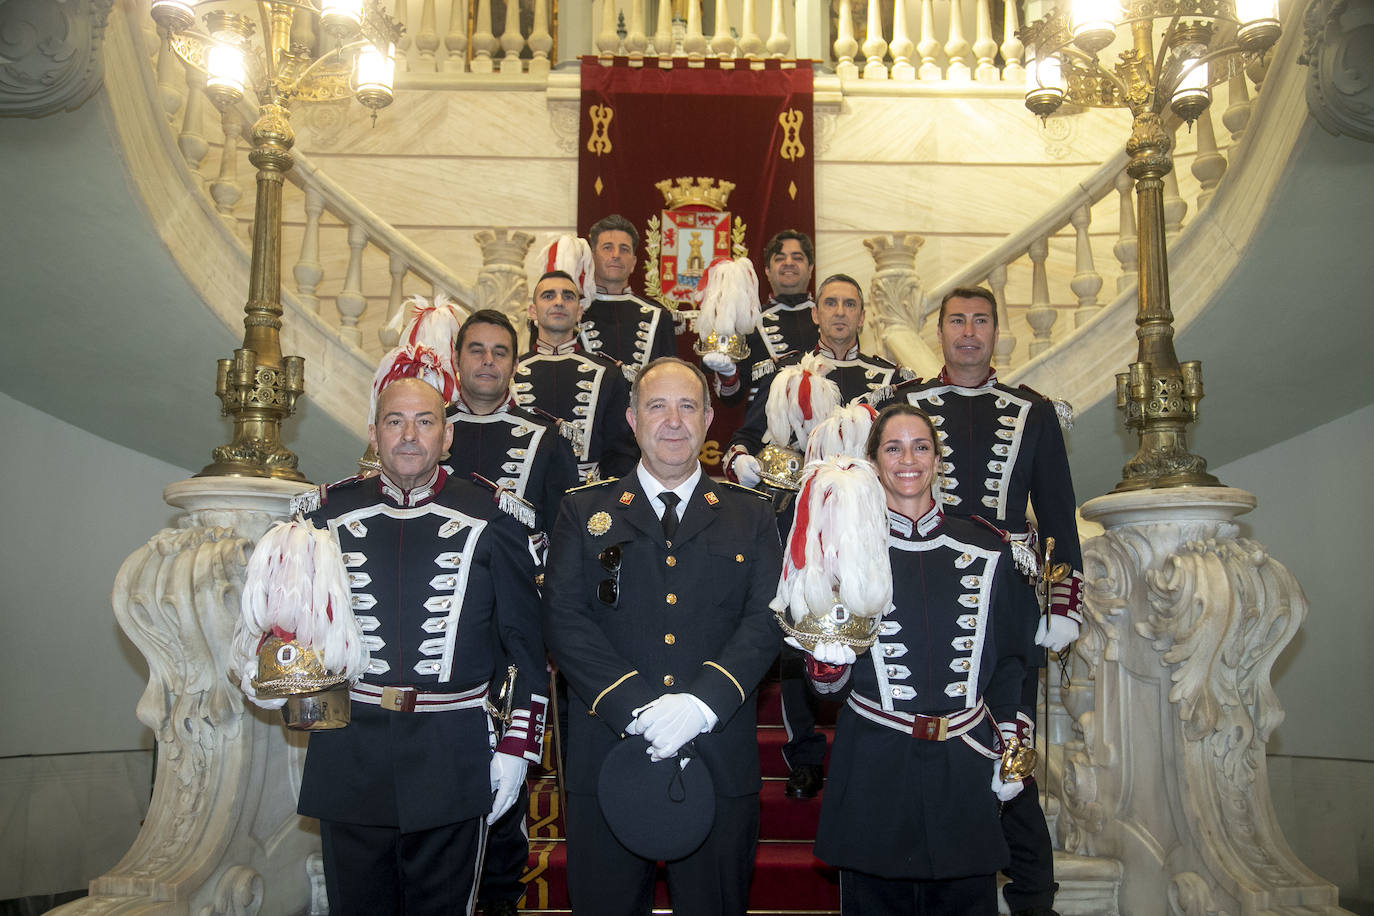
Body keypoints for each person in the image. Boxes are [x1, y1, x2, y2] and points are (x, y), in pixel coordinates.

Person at [294, 376, 548, 916]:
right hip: (350, 754)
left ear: (447, 435)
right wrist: (301, 706)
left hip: (452, 753)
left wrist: (514, 749)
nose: (409, 435)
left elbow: (524, 644)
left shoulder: (494, 516)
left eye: (425, 422)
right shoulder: (322, 519)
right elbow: (298, 629)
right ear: (373, 433)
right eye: (395, 421)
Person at [868, 286, 1085, 916]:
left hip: (1010, 600)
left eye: (981, 321)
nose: (968, 332)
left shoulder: (1033, 410)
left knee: (1012, 752)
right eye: (957, 321)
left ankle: (1032, 897)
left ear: (998, 330)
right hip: (914, 592)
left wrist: (1063, 601)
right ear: (939, 331)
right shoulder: (904, 404)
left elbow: (1058, 515)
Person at [542, 357, 784, 916]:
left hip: (717, 754)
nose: (672, 421)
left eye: (687, 407)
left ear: (707, 422)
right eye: (657, 406)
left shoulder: (750, 515)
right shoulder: (584, 511)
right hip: (608, 752)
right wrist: (633, 708)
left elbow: (765, 618)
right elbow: (564, 619)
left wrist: (702, 704)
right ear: (631, 419)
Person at [795, 404, 1034, 915]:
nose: (909, 459)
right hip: (876, 767)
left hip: (965, 765)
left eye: (921, 446)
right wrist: (828, 664)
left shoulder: (988, 549)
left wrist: (1010, 739)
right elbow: (825, 687)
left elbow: (1013, 661)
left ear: (937, 460)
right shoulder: (843, 551)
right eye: (894, 447)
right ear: (873, 461)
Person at [722, 273, 912, 801]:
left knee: (869, 630)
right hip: (800, 519)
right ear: (816, 313)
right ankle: (803, 754)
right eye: (831, 303)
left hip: (873, 522)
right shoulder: (786, 373)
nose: (840, 312)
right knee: (796, 637)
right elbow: (744, 436)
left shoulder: (888, 377)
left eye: (850, 304)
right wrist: (741, 460)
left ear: (862, 314)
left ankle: (859, 746)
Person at [448, 308, 577, 916]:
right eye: (477, 350)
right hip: (440, 631)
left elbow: (566, 534)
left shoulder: (546, 438)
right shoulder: (425, 426)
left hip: (512, 632)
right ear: (457, 358)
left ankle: (499, 896)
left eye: (501, 352)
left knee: (506, 781)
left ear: (515, 363)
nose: (488, 362)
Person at [516, 270, 640, 483]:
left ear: (579, 312)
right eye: (548, 296)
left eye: (568, 296)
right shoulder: (511, 371)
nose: (559, 302)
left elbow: (622, 453)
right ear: (533, 312)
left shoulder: (608, 374)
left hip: (587, 496)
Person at [704, 230, 821, 403]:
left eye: (797, 257)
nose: (789, 263)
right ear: (767, 270)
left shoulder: (831, 318)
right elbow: (731, 399)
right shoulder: (749, 321)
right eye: (780, 258)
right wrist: (727, 375)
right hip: (765, 425)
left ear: (810, 268)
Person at [578, 214, 678, 377]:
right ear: (593, 257)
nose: (616, 255)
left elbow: (671, 379)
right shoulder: (574, 314)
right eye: (607, 247)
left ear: (633, 263)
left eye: (624, 249)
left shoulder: (659, 317)